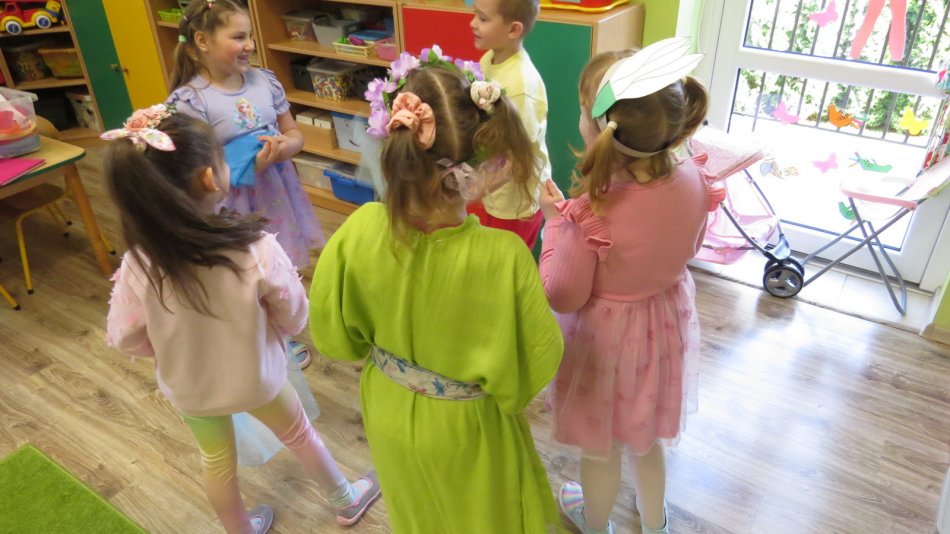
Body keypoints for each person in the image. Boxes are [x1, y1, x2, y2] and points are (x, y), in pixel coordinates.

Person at [311, 52, 564, 533]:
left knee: (417, 514)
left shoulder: (359, 228)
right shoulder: (503, 257)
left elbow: (335, 337)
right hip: (468, 430)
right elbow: (531, 369)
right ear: (474, 168)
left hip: (387, 412)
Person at [103, 108, 380, 534]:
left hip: (190, 390)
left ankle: (239, 530)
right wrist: (277, 332)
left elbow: (125, 337)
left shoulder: (137, 265)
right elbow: (294, 313)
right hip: (259, 378)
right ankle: (346, 499)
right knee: (300, 434)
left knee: (216, 462)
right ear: (211, 178)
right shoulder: (255, 249)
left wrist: (167, 348)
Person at [538, 41, 722, 534]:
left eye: (584, 110)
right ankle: (655, 522)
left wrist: (555, 224)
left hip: (606, 347)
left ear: (600, 128)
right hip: (663, 330)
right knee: (646, 439)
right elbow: (691, 245)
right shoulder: (695, 179)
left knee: (601, 450)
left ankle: (596, 524)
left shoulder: (590, 213)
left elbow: (562, 294)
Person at [166, 0, 320, 367]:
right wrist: (240, 162)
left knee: (279, 262)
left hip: (277, 194)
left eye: (249, 35)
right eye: (238, 37)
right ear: (202, 41)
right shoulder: (191, 101)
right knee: (244, 269)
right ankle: (255, 336)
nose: (249, 44)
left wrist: (286, 148)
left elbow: (294, 133)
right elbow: (190, 166)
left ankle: (282, 333)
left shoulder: (264, 82)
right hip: (228, 202)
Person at [469, 0, 551, 249]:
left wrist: (473, 192)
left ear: (513, 29)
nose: (472, 23)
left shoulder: (520, 88)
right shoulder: (489, 60)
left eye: (483, 19)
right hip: (494, 190)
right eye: (475, 14)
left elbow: (517, 162)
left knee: (504, 264)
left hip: (514, 205)